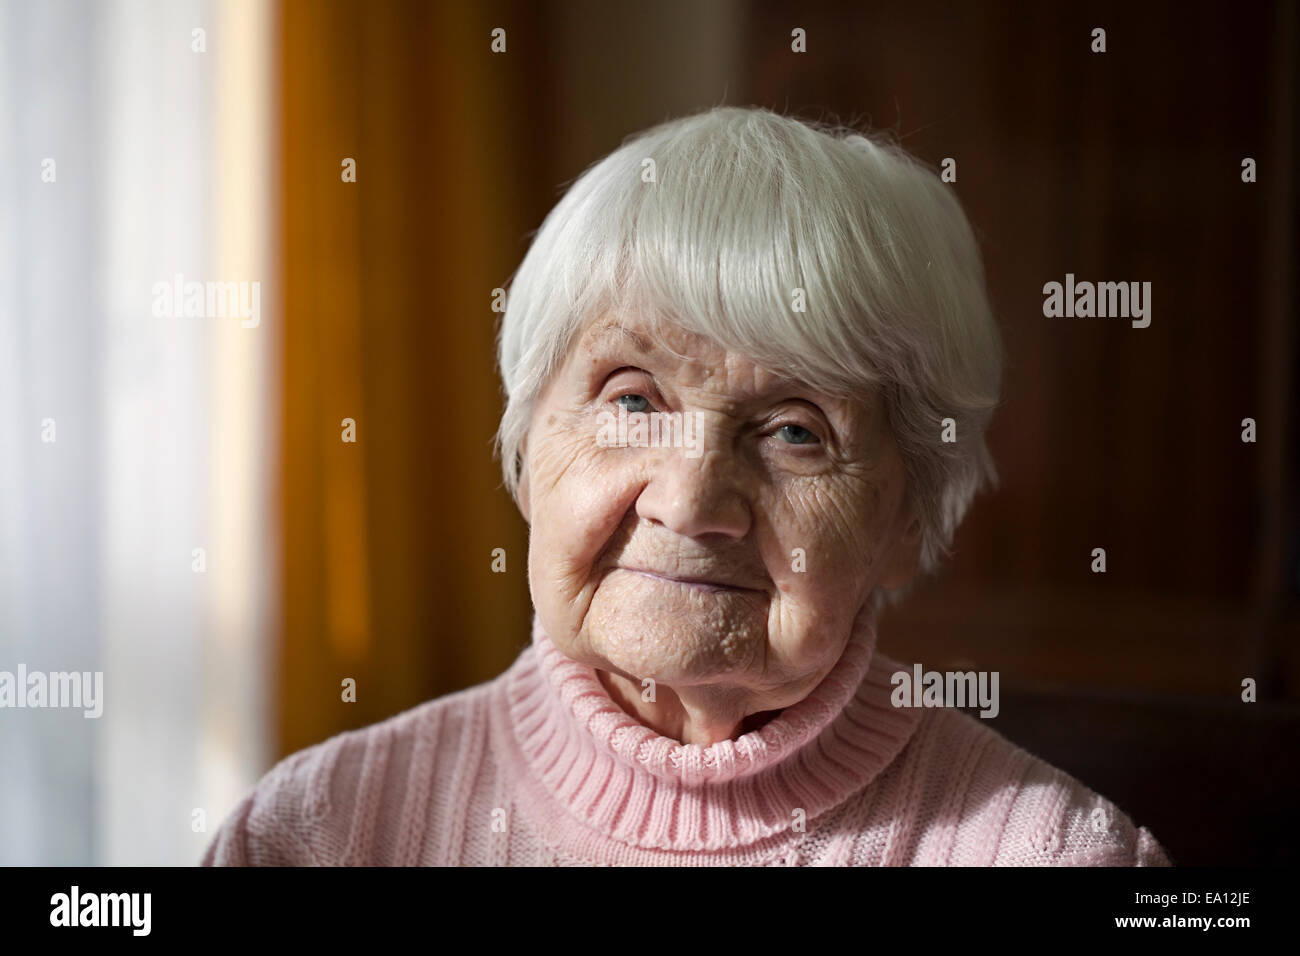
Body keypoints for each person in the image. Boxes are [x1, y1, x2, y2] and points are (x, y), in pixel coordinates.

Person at [202, 106, 1171, 866]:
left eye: (795, 429)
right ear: (526, 449)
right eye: (631, 401)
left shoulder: (1057, 855)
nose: (691, 498)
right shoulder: (317, 832)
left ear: (909, 518)